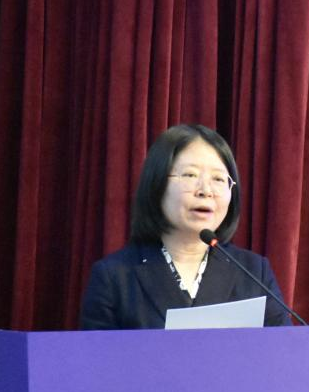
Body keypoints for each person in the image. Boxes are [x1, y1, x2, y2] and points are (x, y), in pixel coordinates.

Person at [79, 123, 294, 329]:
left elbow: (282, 349)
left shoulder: (255, 273)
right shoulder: (114, 277)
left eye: (219, 179)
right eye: (190, 175)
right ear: (157, 184)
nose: (206, 190)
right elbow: (98, 355)